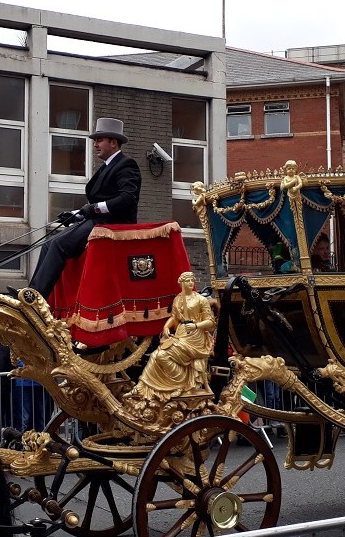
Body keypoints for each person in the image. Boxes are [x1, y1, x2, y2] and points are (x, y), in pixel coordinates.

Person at [28, 118, 141, 298]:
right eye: (95, 141)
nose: (95, 145)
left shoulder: (126, 164)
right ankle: (31, 292)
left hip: (112, 224)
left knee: (59, 244)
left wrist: (94, 209)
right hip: (98, 220)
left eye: (99, 140)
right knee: (49, 243)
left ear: (113, 142)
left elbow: (127, 198)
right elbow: (96, 203)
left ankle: (36, 297)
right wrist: (75, 215)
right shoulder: (106, 167)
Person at [130, 272, 215, 404]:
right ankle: (142, 387)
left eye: (192, 280)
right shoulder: (178, 299)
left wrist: (196, 325)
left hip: (195, 338)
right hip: (181, 334)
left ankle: (180, 384)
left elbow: (210, 322)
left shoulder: (200, 300)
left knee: (161, 355)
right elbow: (174, 318)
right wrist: (166, 327)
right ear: (181, 283)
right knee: (155, 355)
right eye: (188, 281)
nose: (191, 283)